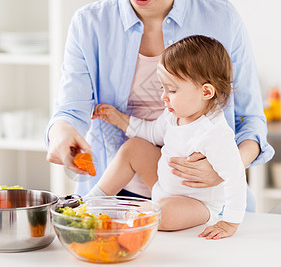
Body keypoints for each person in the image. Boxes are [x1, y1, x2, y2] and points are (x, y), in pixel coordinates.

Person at [45, 0, 274, 210]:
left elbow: (250, 120)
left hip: (205, 201)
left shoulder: (222, 18)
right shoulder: (89, 23)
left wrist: (228, 167)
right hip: (112, 202)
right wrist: (61, 134)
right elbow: (70, 111)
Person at [88, 35, 245, 239]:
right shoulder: (174, 114)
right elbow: (152, 132)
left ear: (206, 92)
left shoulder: (214, 132)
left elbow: (235, 176)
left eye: (172, 90)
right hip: (163, 186)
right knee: (133, 147)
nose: (163, 96)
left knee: (163, 214)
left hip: (196, 204)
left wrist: (230, 222)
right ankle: (92, 202)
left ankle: (125, 218)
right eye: (162, 88)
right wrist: (119, 119)